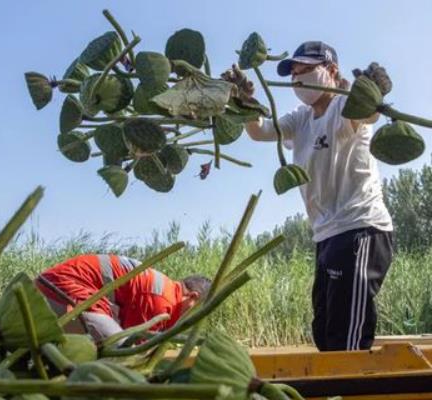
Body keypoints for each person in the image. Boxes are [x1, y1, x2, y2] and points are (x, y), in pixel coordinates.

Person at [231, 41, 394, 351]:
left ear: (331, 71)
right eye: (293, 73)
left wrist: (372, 93)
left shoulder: (345, 106)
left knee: (346, 337)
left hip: (361, 228)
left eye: (304, 70)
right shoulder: (301, 117)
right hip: (326, 235)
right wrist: (243, 100)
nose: (297, 79)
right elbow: (261, 131)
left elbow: (367, 115)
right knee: (323, 329)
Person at [35, 254, 211, 343]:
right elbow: (136, 345)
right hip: (62, 287)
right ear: (192, 297)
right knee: (119, 346)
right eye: (199, 311)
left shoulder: (165, 289)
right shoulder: (162, 300)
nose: (194, 320)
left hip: (57, 286)